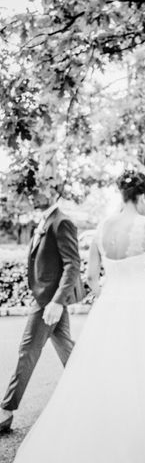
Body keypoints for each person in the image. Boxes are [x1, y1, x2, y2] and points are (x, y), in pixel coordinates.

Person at [11, 170, 145, 463]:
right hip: (144, 305)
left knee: (103, 374)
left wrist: (111, 293)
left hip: (109, 308)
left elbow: (93, 277)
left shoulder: (102, 227)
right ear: (144, 197)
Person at [0, 183, 84, 433]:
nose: (34, 194)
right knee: (67, 349)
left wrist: (57, 301)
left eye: (40, 190)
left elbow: (72, 264)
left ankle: (6, 410)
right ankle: (94, 393)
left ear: (54, 192)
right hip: (46, 298)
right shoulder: (45, 220)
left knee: (27, 351)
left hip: (49, 300)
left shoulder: (62, 222)